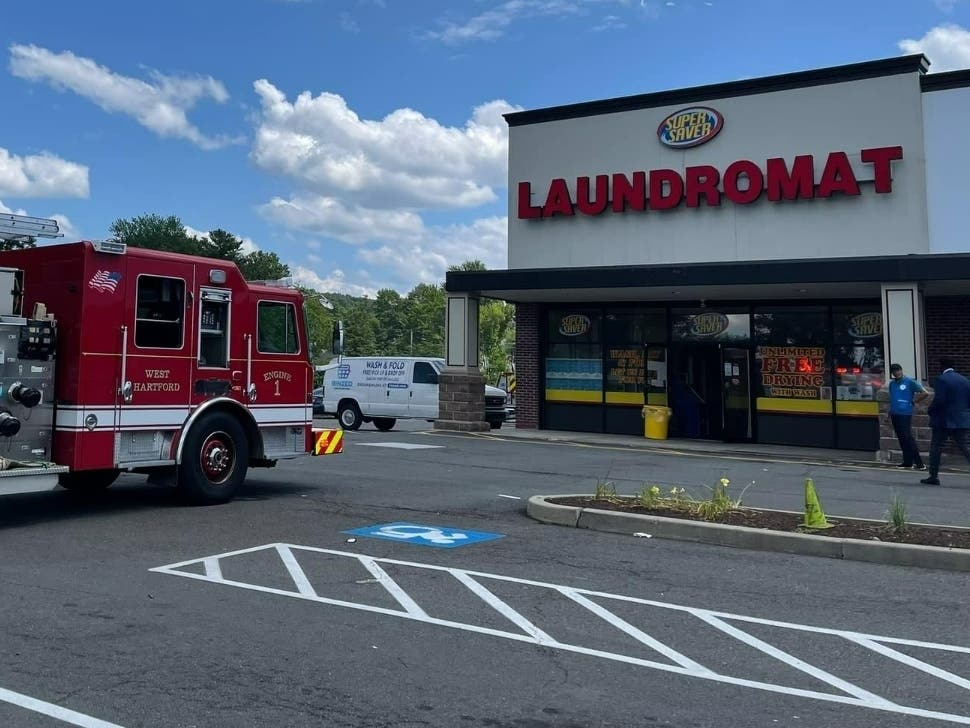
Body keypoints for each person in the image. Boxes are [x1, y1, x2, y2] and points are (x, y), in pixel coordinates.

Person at [921, 356, 970, 486]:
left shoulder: (941, 380)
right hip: (960, 418)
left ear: (941, 366)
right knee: (964, 447)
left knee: (936, 447)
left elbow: (939, 400)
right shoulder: (965, 380)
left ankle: (933, 476)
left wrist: (930, 410)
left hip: (943, 420)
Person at [887, 363, 927, 470]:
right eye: (894, 371)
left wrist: (914, 401)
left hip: (905, 413)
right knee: (902, 438)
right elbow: (892, 398)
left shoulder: (909, 381)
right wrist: (889, 412)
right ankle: (907, 462)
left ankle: (919, 463)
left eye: (898, 370)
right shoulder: (892, 384)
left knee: (908, 437)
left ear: (901, 370)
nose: (896, 372)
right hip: (895, 413)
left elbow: (925, 393)